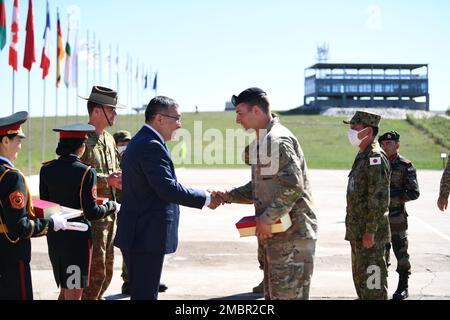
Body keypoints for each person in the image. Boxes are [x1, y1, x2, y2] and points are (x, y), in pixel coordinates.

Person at [213, 87, 318, 300]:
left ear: (256, 111)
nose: (237, 120)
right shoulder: (264, 141)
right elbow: (260, 187)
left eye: (240, 114)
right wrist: (228, 195)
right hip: (278, 237)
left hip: (292, 238)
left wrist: (267, 217)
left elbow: (292, 186)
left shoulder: (276, 140)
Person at [114, 96, 220, 300]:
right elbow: (167, 189)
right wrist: (206, 198)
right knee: (145, 295)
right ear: (159, 119)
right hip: (145, 235)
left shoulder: (143, 141)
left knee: (142, 293)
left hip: (140, 233)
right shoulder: (150, 145)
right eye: (177, 118)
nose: (179, 125)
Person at [39, 124, 119, 300]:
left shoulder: (46, 169)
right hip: (76, 240)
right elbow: (92, 212)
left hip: (56, 236)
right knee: (74, 291)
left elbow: (45, 207)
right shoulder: (86, 172)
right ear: (81, 146)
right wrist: (111, 206)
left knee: (65, 286)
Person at [0, 111, 68, 300]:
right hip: (11, 256)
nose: (19, 147)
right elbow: (20, 226)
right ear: (5, 141)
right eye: (17, 141)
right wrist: (51, 224)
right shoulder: (11, 176)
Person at [79, 86, 125, 300]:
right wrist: (107, 179)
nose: (115, 114)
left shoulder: (109, 139)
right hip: (90, 220)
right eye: (111, 109)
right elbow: (74, 176)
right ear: (97, 111)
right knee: (91, 276)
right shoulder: (79, 139)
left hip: (109, 217)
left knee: (105, 274)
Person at [112, 130, 169, 295]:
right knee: (128, 246)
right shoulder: (114, 160)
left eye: (127, 143)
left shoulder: (135, 154)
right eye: (121, 144)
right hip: (119, 205)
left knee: (146, 245)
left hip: (138, 205)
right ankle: (129, 280)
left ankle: (147, 280)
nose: (124, 146)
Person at [344, 110, 391, 300]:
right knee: (363, 289)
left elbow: (379, 200)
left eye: (355, 127)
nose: (351, 131)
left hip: (370, 238)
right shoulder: (363, 155)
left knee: (374, 290)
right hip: (360, 235)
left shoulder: (375, 158)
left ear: (369, 131)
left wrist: (370, 231)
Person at [379, 130, 420, 300]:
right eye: (383, 143)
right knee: (380, 253)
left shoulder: (405, 165)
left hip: (397, 218)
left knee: (400, 253)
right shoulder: (375, 162)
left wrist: (391, 197)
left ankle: (403, 286)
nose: (385, 145)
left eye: (389, 143)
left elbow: (414, 192)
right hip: (379, 217)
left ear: (397, 145)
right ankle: (379, 287)